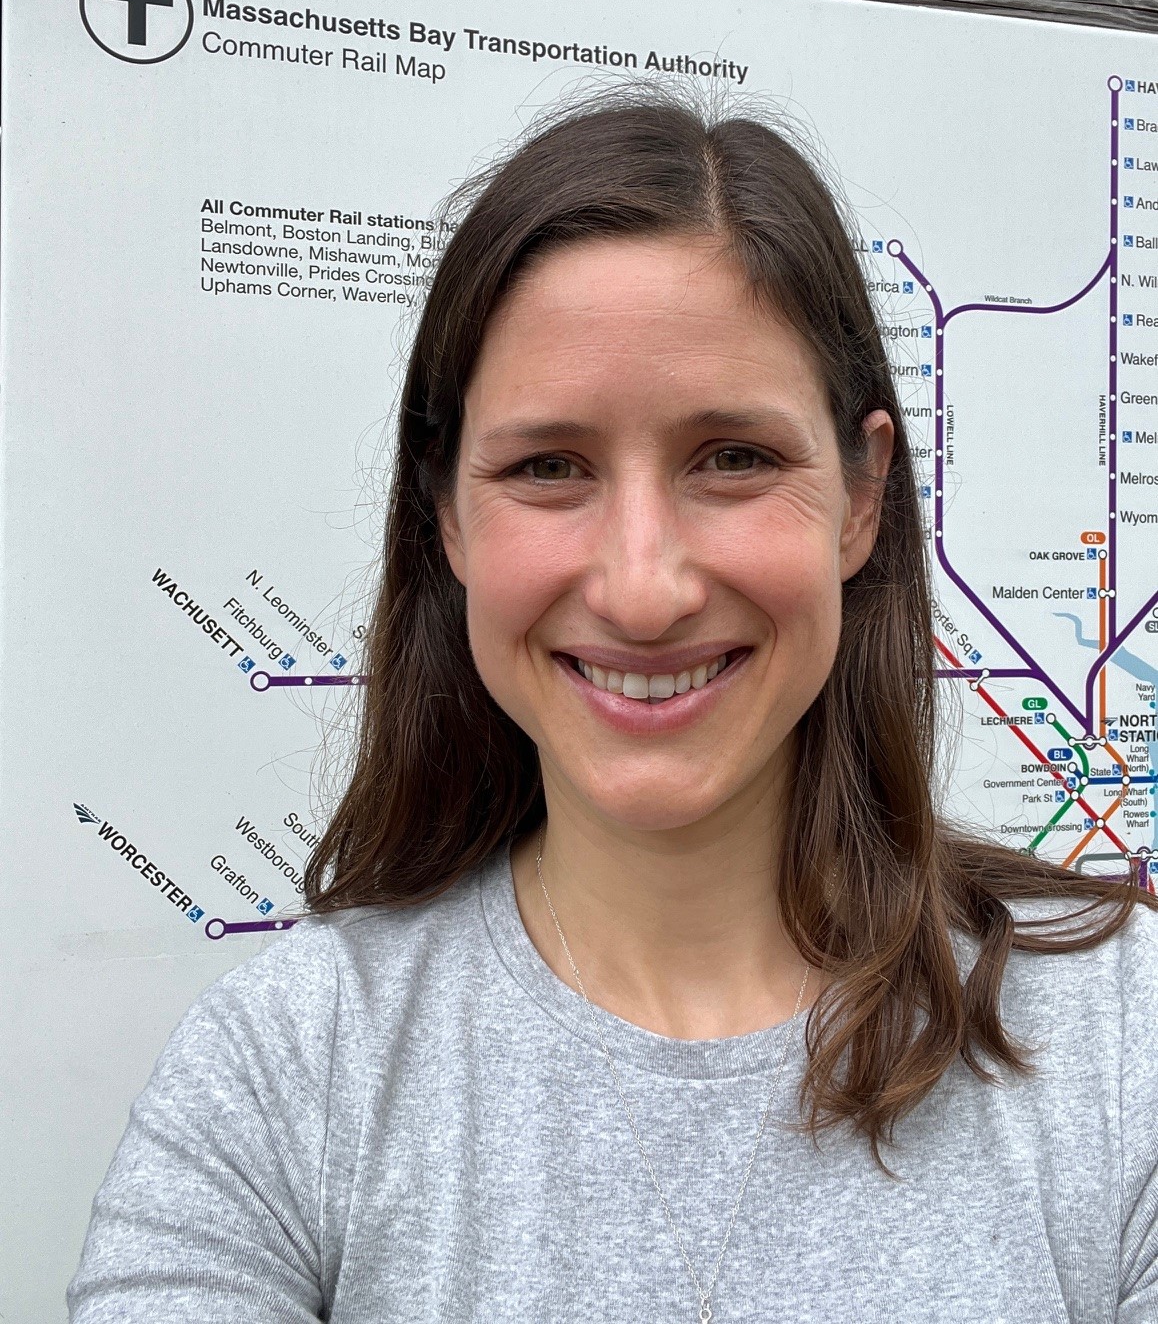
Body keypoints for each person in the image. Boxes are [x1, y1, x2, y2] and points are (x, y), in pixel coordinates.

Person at [68, 97, 1158, 1323]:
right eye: (549, 467)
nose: (644, 587)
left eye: (733, 455)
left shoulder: (1124, 1042)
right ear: (447, 514)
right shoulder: (288, 1072)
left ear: (862, 497)